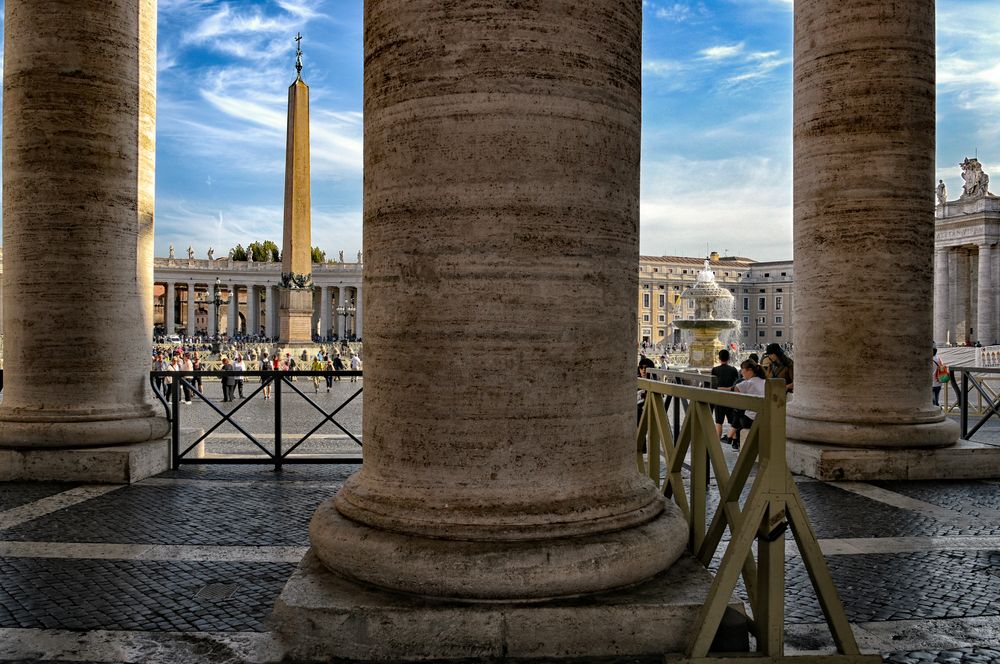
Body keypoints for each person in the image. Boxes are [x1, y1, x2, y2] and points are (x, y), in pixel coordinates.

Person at [722, 360, 766, 450]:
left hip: (751, 420)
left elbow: (730, 389)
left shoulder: (747, 383)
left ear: (749, 370)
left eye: (742, 370)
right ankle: (731, 437)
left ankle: (730, 436)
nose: (741, 372)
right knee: (741, 411)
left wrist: (715, 388)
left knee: (738, 410)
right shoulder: (764, 381)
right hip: (764, 417)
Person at [711, 349, 740, 442]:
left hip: (719, 398)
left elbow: (713, 385)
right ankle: (735, 442)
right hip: (730, 398)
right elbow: (737, 383)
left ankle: (717, 442)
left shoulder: (715, 370)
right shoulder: (733, 370)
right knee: (732, 421)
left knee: (719, 422)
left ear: (719, 358)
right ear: (729, 358)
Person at [636, 355, 656, 423]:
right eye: (641, 367)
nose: (643, 370)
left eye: (646, 367)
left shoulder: (655, 383)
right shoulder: (635, 380)